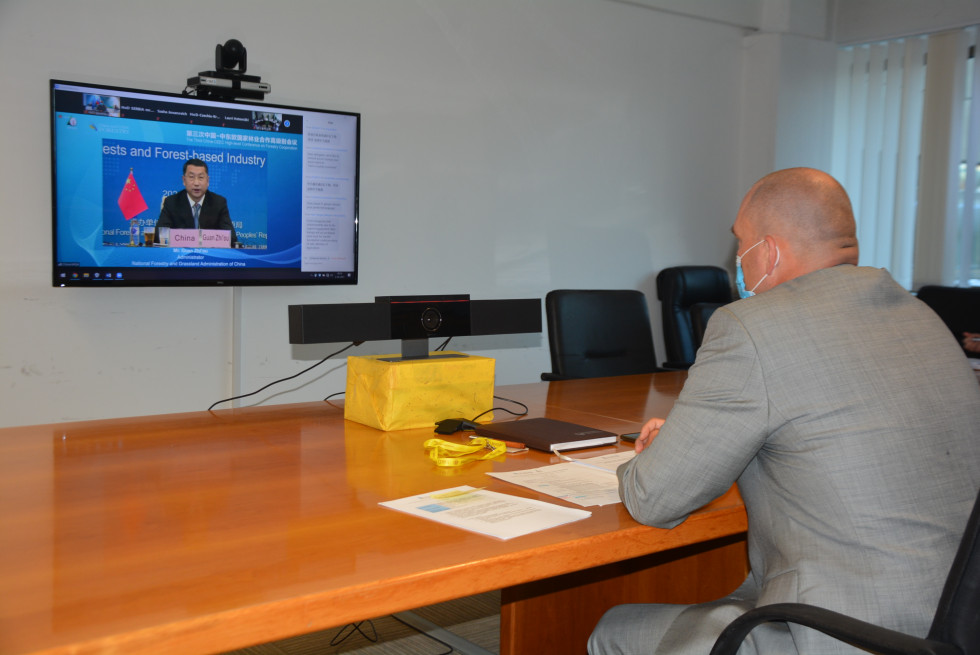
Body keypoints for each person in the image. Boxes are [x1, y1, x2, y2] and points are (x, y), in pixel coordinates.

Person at [588, 168, 980, 654]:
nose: (737, 264)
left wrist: (651, 456)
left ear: (768, 252)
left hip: (845, 631)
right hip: (955, 623)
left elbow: (655, 500)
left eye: (741, 246)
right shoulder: (921, 317)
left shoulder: (751, 325)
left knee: (614, 630)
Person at [155, 158, 237, 245]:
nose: (196, 183)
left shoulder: (218, 202)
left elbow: (231, 237)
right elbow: (159, 236)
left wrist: (201, 238)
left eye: (201, 177)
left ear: (208, 181)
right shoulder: (172, 202)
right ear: (184, 180)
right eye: (191, 177)